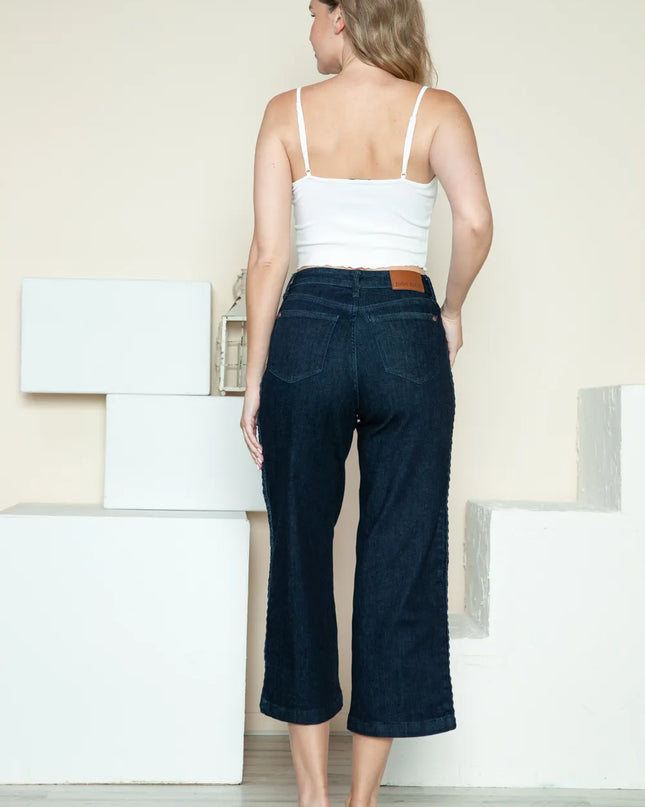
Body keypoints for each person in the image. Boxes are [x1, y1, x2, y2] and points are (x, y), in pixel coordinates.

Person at [240, 0, 493, 805]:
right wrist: (448, 308)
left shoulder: (286, 114)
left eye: (313, 12)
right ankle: (361, 800)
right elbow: (476, 221)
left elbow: (268, 254)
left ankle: (311, 795)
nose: (308, 28)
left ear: (345, 18)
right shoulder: (437, 110)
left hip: (307, 324)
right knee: (397, 559)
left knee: (302, 554)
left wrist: (253, 383)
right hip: (402, 323)